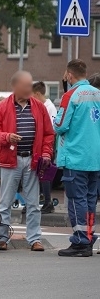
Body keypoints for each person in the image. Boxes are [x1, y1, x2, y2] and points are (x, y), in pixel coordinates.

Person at [0, 71, 55, 252]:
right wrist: (7, 137)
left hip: (32, 160)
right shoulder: (2, 107)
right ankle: (2, 238)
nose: (29, 89)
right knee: (6, 201)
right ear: (15, 86)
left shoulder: (39, 107)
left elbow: (49, 133)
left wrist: (46, 153)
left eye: (30, 85)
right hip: (10, 159)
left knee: (33, 202)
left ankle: (34, 239)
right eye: (25, 86)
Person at [54, 60, 100, 257]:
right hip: (95, 157)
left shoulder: (70, 95)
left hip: (75, 156)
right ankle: (89, 236)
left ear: (69, 75)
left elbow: (60, 125)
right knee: (90, 200)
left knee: (75, 200)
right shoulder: (98, 94)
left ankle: (80, 240)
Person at [32, 81, 58, 214]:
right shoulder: (44, 106)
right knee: (39, 175)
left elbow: (51, 129)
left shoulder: (49, 107)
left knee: (44, 174)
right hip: (40, 145)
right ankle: (40, 201)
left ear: (37, 93)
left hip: (45, 146)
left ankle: (48, 202)